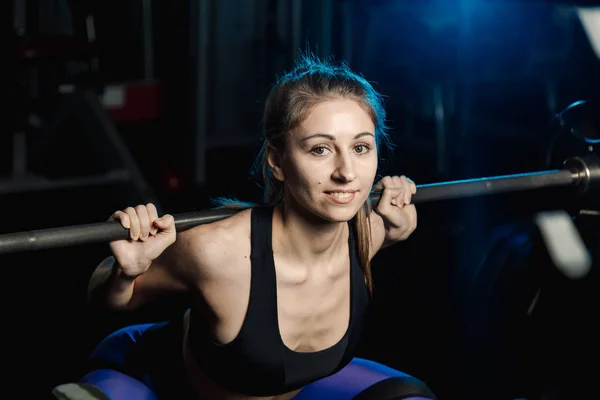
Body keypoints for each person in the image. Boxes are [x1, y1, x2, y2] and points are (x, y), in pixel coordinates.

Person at [60, 53, 436, 400]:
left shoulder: (372, 233)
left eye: (360, 148)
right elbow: (106, 296)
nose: (347, 173)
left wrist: (400, 228)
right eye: (320, 149)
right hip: (152, 382)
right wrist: (126, 271)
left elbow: (392, 231)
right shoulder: (218, 251)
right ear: (277, 161)